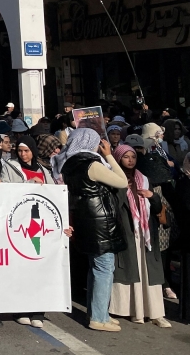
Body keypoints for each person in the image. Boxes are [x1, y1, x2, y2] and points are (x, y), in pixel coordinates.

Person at [53, 128, 128, 332]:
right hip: (100, 221)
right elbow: (122, 182)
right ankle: (98, 317)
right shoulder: (92, 163)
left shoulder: (68, 163)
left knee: (95, 267)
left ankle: (98, 312)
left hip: (84, 219)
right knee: (104, 268)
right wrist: (110, 156)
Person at [108, 144, 170, 327]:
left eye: (133, 157)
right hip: (128, 231)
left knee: (149, 270)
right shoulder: (114, 179)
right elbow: (113, 208)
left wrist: (152, 196)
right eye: (126, 157)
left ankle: (155, 312)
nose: (130, 160)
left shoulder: (144, 179)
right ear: (118, 159)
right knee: (131, 269)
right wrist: (121, 188)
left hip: (146, 233)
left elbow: (158, 209)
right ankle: (134, 311)